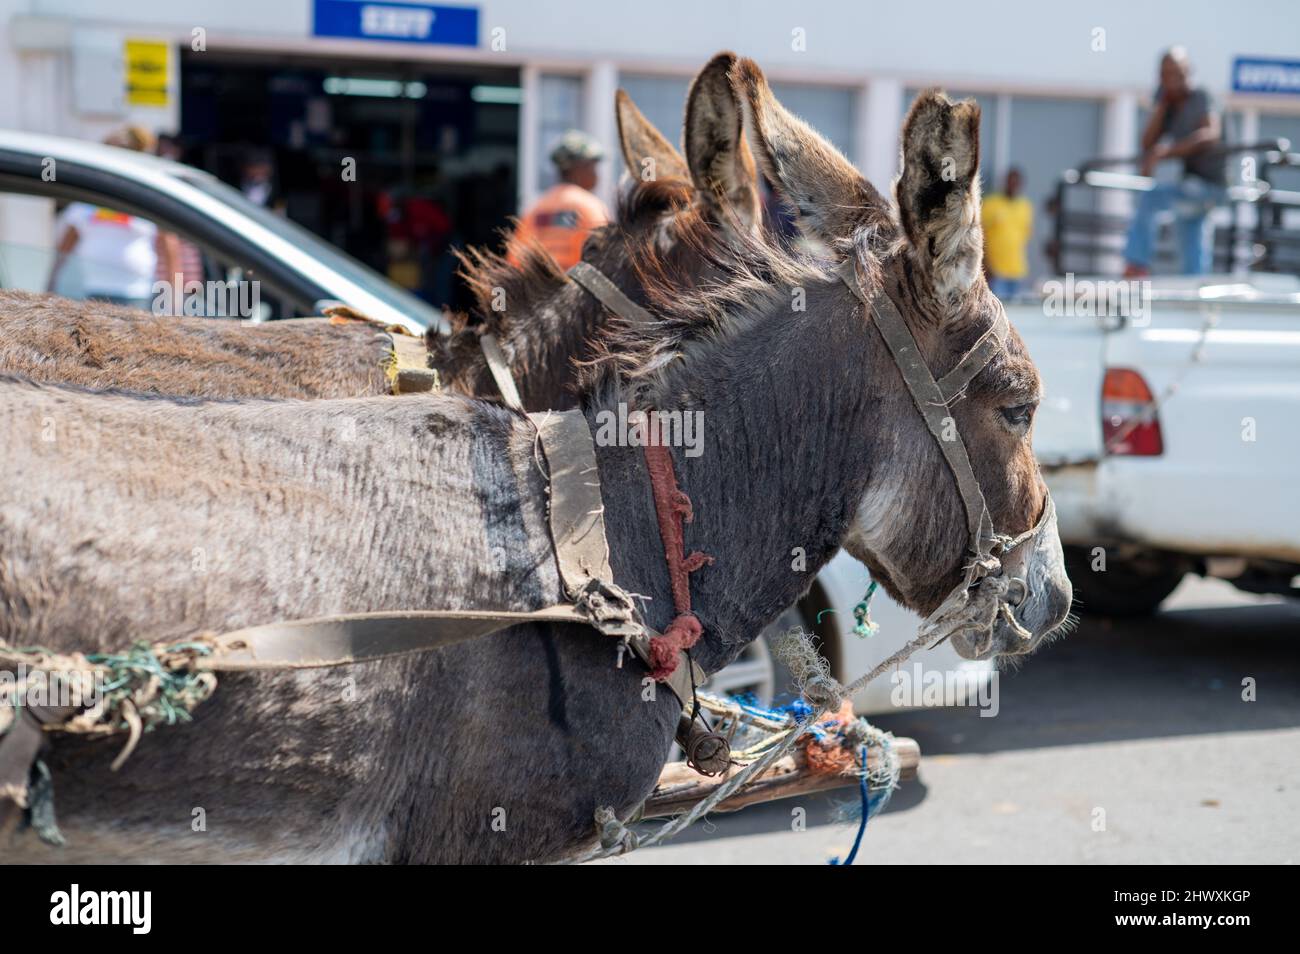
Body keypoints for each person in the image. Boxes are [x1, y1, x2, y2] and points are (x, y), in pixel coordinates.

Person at [48, 126, 180, 311]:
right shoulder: (88, 202)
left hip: (136, 295)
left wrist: (174, 296)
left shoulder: (146, 198)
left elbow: (169, 247)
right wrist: (51, 285)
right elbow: (65, 246)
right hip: (94, 294)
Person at [1123, 47, 1227, 277]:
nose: (1173, 79)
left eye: (1178, 73)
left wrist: (1165, 152)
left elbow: (1210, 133)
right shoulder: (1169, 105)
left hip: (1211, 186)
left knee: (1150, 198)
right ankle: (1195, 286)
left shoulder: (1201, 96)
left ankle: (1136, 265)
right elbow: (1147, 143)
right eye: (1166, 74)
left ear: (1189, 72)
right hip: (1190, 186)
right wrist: (1161, 105)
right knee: (1190, 227)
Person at [510, 130, 610, 270]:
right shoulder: (590, 207)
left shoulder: (536, 209)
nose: (596, 175)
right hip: (577, 288)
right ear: (580, 167)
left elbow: (515, 261)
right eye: (593, 166)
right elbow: (605, 259)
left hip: (539, 289)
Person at [981, 167, 1033, 299]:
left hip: (1016, 270)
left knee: (1015, 314)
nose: (1013, 185)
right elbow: (979, 236)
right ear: (1005, 182)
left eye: (1016, 182)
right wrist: (985, 265)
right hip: (995, 271)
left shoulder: (1025, 206)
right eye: (1010, 181)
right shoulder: (991, 204)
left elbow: (1024, 236)